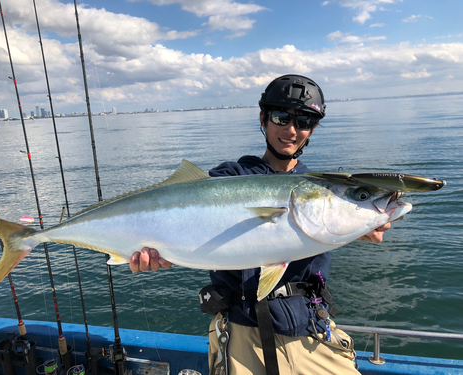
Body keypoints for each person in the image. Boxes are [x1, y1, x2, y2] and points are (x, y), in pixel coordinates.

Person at [129, 74, 391, 375]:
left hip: (312, 333)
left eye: (304, 121)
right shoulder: (233, 176)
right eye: (281, 117)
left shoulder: (324, 187)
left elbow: (323, 222)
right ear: (263, 119)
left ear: (313, 128)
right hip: (242, 337)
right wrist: (153, 250)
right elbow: (194, 216)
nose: (291, 130)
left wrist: (362, 224)